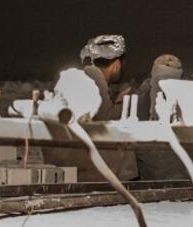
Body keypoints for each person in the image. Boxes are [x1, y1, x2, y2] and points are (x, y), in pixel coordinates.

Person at [44, 34, 138, 180]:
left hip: (61, 152)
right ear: (117, 64)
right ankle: (123, 183)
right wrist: (125, 102)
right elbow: (104, 116)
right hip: (74, 157)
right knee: (125, 142)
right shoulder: (95, 77)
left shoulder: (84, 75)